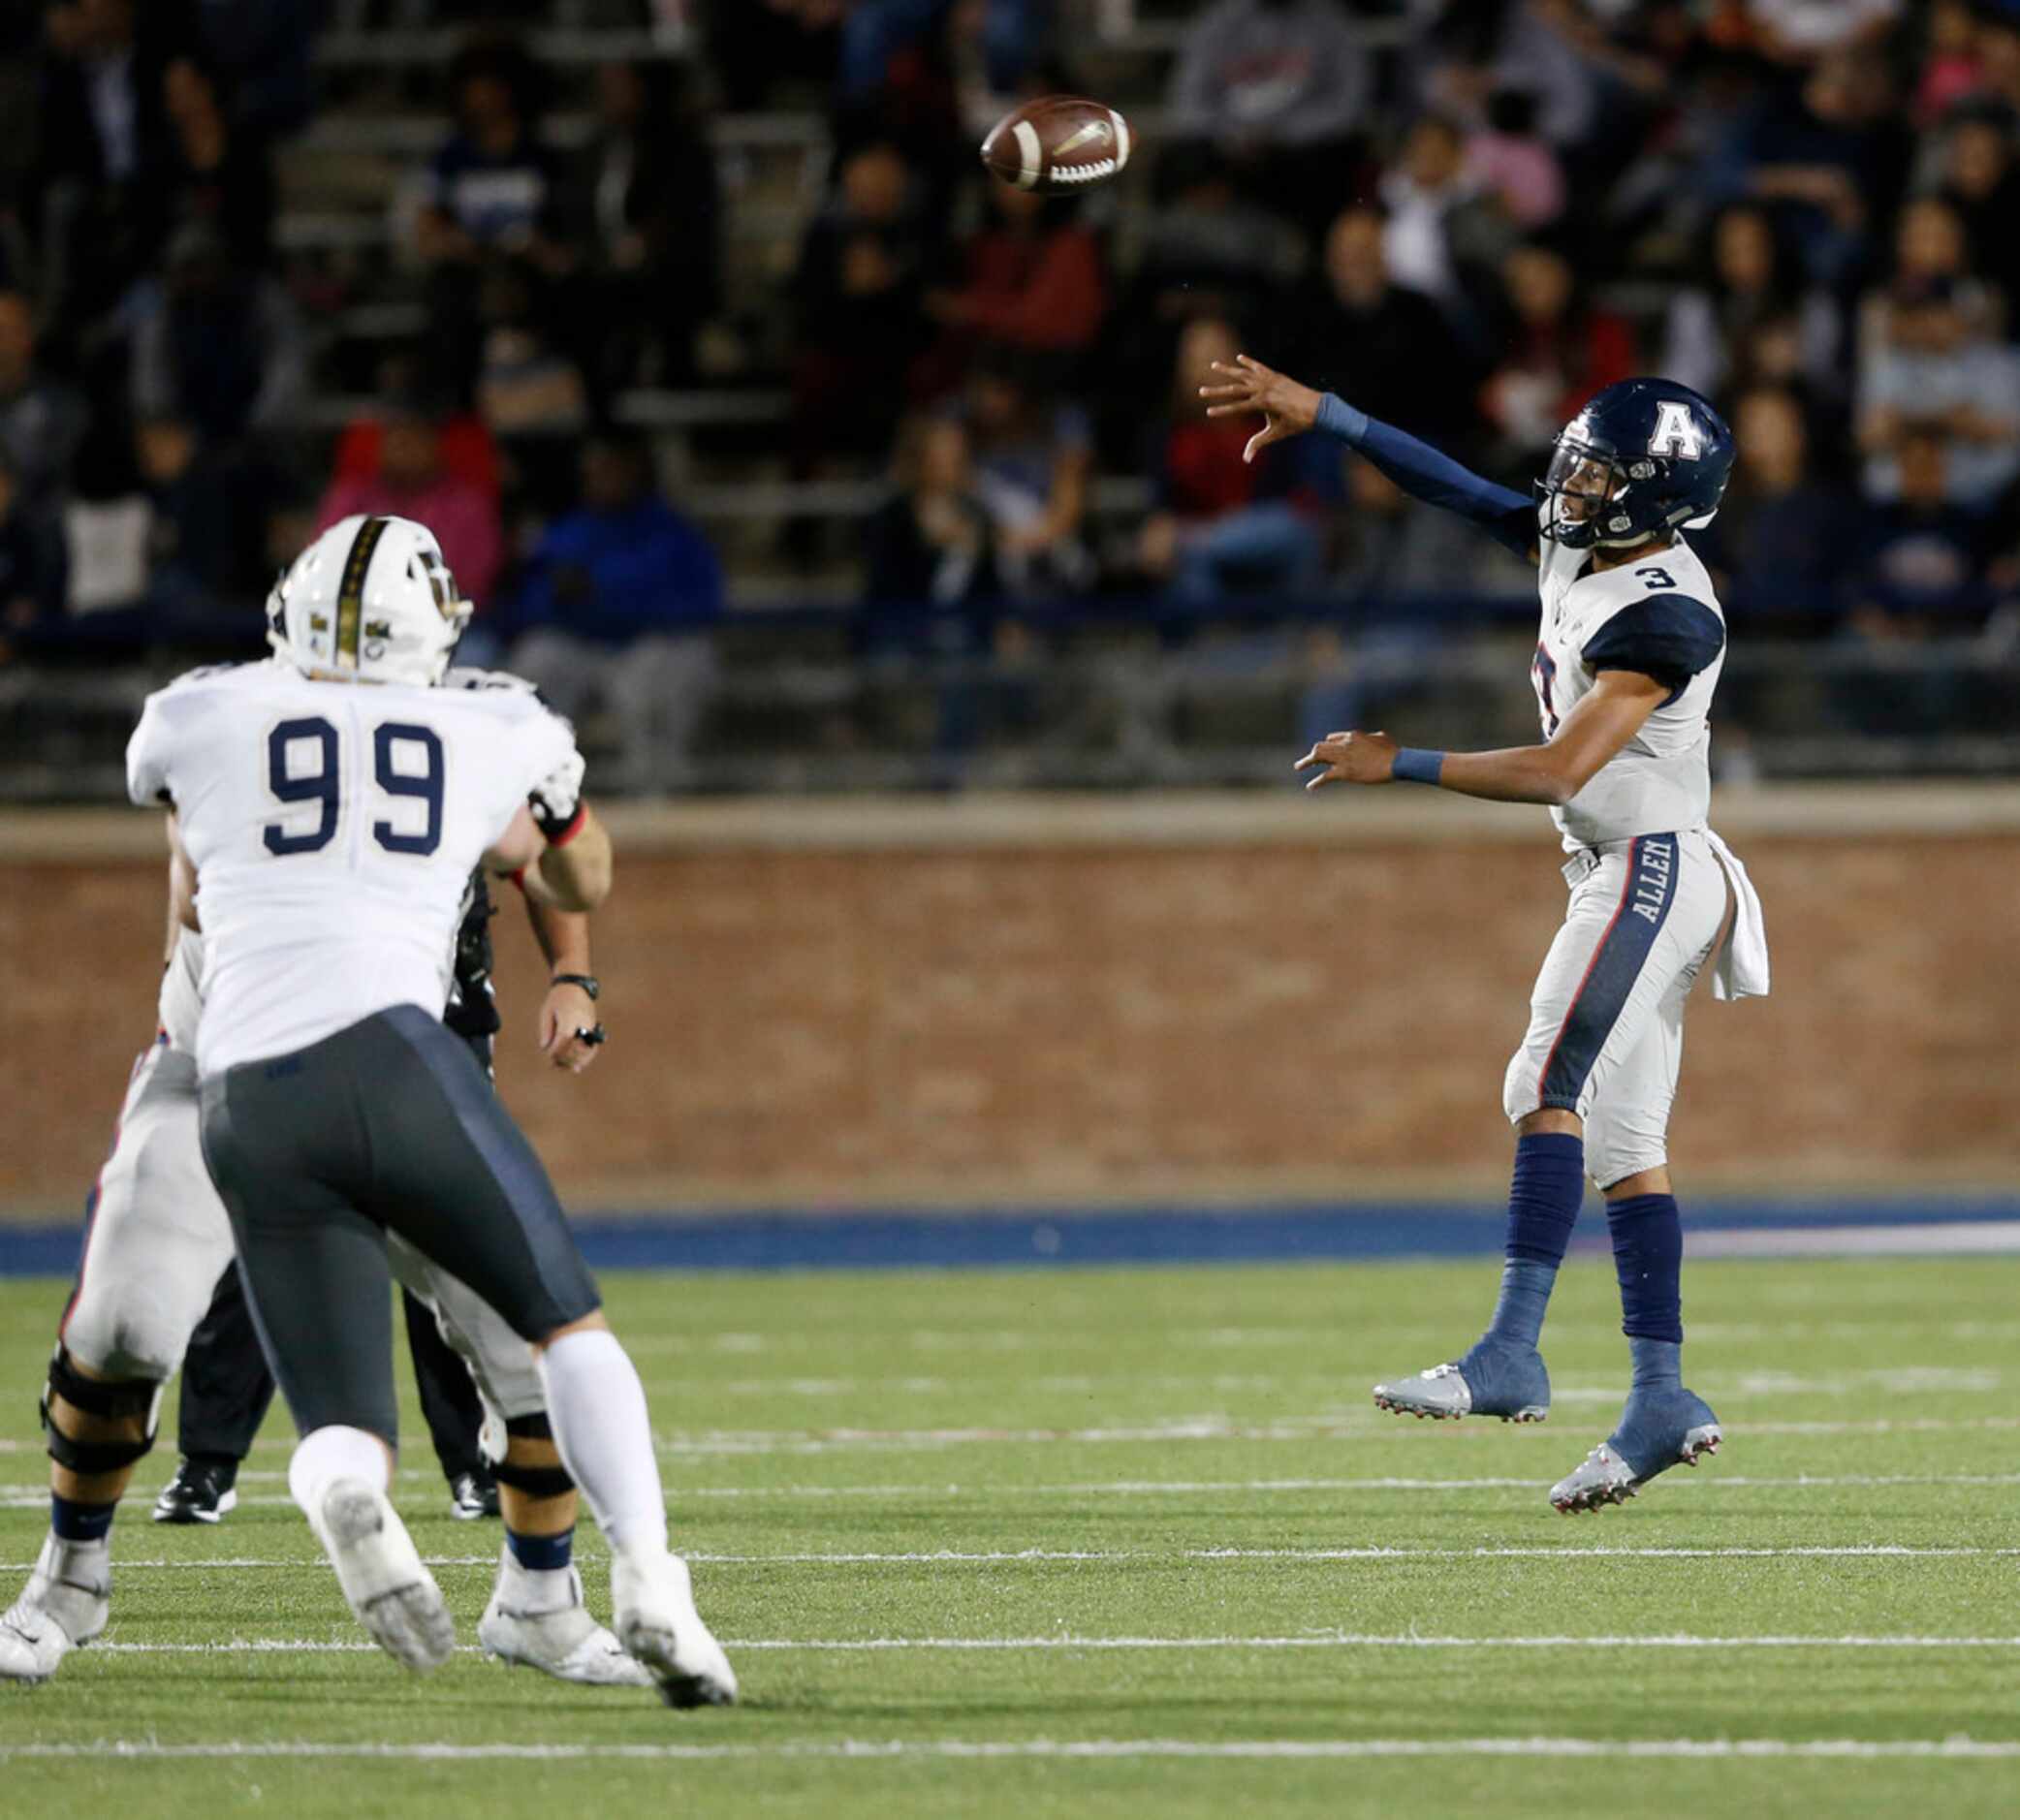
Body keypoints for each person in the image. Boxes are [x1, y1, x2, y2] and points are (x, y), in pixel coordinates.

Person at [1, 516, 735, 1705]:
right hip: (226, 1058)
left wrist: (567, 966)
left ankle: (539, 1603)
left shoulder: (220, 708)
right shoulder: (479, 717)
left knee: (519, 1356)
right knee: (128, 1326)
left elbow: (529, 872)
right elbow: (200, 893)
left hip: (371, 1063)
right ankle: (66, 1582)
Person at [1201, 354, 1770, 1513]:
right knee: (1621, 1145)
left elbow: (1563, 766)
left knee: (1539, 1074)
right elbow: (1459, 489)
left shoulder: (1667, 610)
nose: (1570, 483)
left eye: (1602, 472)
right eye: (1579, 458)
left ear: (1658, 498)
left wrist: (1395, 760)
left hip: (1649, 862)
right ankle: (1661, 1399)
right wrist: (1329, 415)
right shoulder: (1587, 542)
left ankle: (1510, 1352)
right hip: (1620, 865)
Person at [155, 865, 608, 1528]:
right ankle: (208, 1457)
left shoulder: (479, 762)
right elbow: (194, 852)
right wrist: (182, 971)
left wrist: (572, 975)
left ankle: (475, 1461)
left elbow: (543, 842)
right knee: (270, 1210)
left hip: (432, 1005)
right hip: (295, 1000)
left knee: (449, 1228)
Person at [503, 432, 724, 794]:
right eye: (595, 472)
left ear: (637, 473)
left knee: (654, 675)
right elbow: (529, 604)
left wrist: (604, 593)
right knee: (535, 660)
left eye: (612, 470)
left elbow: (704, 604)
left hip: (648, 645)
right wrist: (559, 598)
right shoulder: (568, 530)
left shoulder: (672, 532)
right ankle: (533, 792)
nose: (603, 480)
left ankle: (656, 790)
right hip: (581, 645)